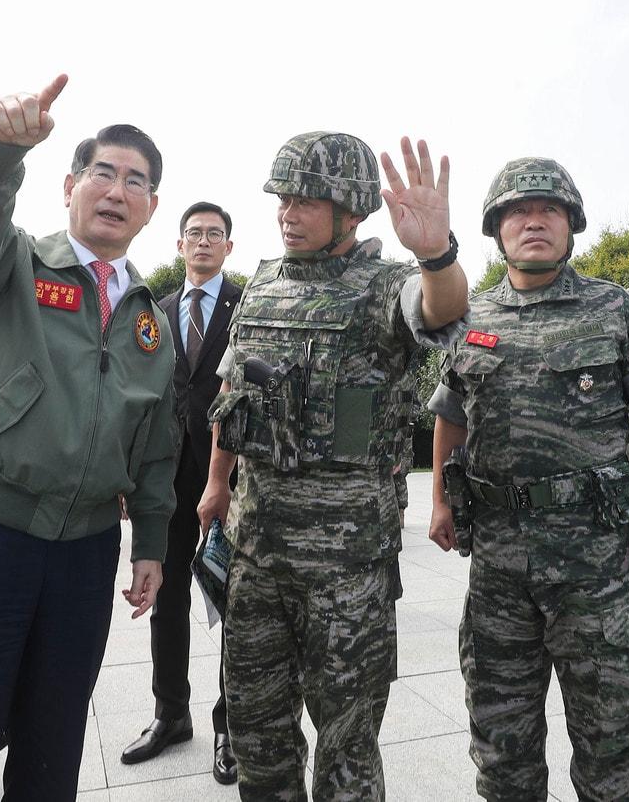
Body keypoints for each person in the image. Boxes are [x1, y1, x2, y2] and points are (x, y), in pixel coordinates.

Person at [0, 74, 178, 801]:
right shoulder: (11, 263)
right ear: (69, 186)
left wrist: (150, 540)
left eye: (136, 181)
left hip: (85, 550)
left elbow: (155, 442)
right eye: (102, 172)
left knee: (52, 744)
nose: (116, 190)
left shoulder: (151, 319)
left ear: (151, 207)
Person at [201, 132, 468, 800]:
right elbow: (232, 394)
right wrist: (214, 484)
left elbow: (444, 309)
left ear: (350, 210)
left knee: (346, 753)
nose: (288, 212)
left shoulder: (388, 287)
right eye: (282, 199)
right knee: (260, 743)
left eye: (306, 201)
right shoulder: (260, 282)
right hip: (258, 556)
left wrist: (437, 252)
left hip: (347, 574)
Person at [427, 157, 629, 802]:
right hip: (498, 569)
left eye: (549, 210)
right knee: (502, 750)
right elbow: (449, 416)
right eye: (518, 210)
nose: (534, 221)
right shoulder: (473, 319)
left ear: (571, 224)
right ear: (496, 229)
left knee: (611, 749)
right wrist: (439, 499)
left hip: (596, 565)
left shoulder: (614, 308)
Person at [120, 201, 242, 783]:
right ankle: (171, 714)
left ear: (228, 247)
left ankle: (229, 724)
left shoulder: (251, 307)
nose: (202, 242)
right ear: (178, 244)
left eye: (213, 234)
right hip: (166, 476)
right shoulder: (156, 313)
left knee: (232, 599)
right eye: (193, 233)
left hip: (233, 477)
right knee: (166, 597)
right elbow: (136, 393)